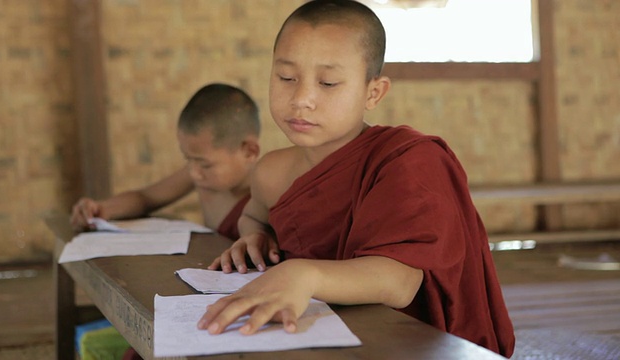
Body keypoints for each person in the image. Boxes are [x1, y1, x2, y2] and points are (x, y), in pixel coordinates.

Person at [197, 1, 515, 357]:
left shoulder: (405, 161)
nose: (301, 99)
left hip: (399, 344)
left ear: (373, 93)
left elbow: (400, 282)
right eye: (286, 77)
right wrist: (254, 234)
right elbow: (254, 214)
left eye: (328, 82)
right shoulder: (271, 171)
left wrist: (306, 275)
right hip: (306, 338)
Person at [70, 83, 261, 241]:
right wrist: (102, 209)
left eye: (205, 164)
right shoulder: (203, 176)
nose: (194, 173)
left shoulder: (268, 192)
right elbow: (146, 198)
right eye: (188, 159)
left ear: (249, 151)